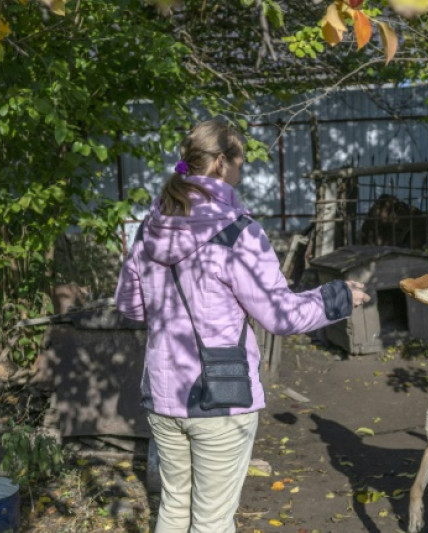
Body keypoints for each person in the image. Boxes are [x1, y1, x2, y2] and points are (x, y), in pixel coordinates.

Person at [115, 119, 369, 533]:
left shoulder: (149, 229)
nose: (242, 172)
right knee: (213, 522)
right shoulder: (237, 232)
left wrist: (171, 315)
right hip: (221, 396)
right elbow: (280, 316)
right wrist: (336, 298)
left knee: (174, 508)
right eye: (240, 163)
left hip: (162, 396)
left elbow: (130, 305)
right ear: (220, 164)